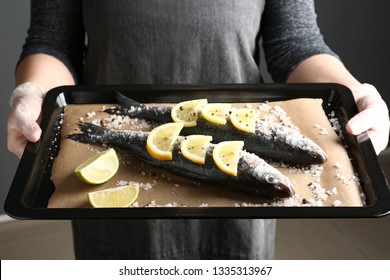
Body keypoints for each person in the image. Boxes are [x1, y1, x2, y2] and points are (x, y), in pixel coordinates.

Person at [7, 0, 389, 259]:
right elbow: (53, 41)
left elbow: (295, 44)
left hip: (237, 208)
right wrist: (33, 92)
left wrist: (355, 94)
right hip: (112, 179)